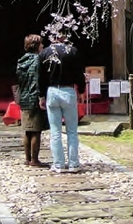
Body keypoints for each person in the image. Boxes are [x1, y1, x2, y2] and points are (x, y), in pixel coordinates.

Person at [38, 35, 86, 173]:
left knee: (55, 131)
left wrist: (41, 95)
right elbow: (79, 73)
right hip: (68, 90)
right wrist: (81, 90)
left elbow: (40, 76)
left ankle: (58, 164)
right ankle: (73, 163)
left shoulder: (45, 52)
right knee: (71, 130)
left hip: (52, 91)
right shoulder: (73, 51)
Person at [15, 34, 48, 168]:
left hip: (24, 97)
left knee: (27, 130)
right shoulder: (38, 61)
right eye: (41, 44)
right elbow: (38, 80)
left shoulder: (21, 61)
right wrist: (41, 97)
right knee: (36, 130)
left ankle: (27, 158)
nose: (43, 46)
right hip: (34, 97)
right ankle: (34, 159)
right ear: (36, 46)